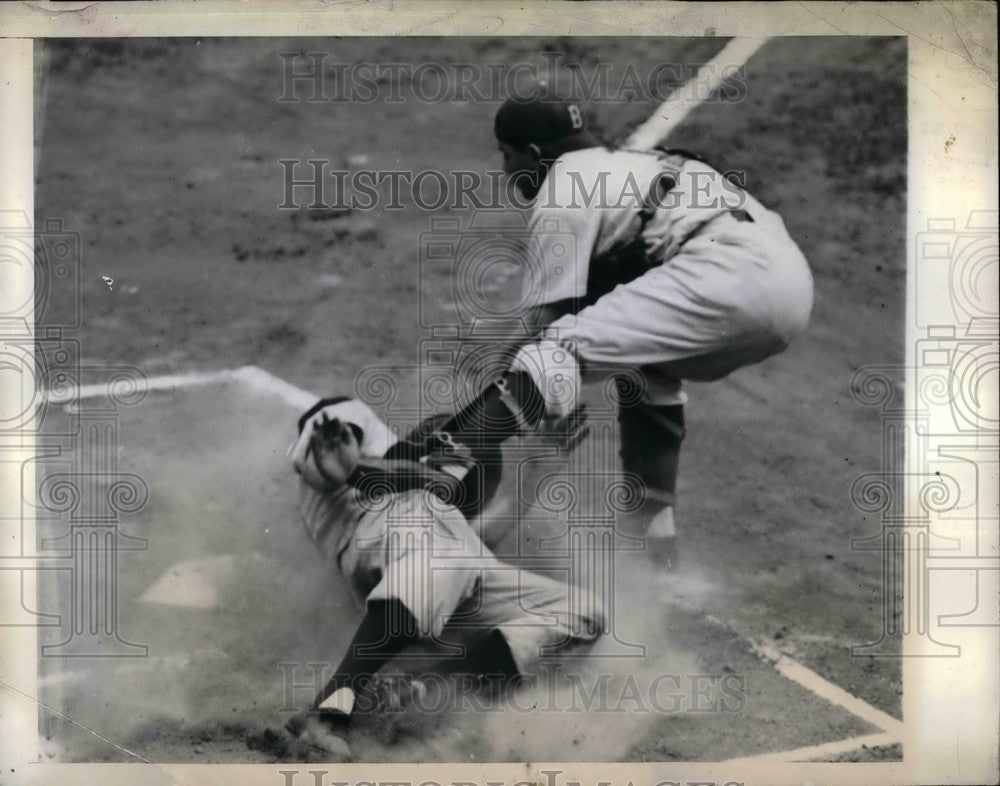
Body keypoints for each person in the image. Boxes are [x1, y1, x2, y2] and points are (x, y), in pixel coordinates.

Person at [398, 89, 814, 569]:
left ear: (532, 154)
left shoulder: (564, 190)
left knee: (555, 352)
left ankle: (444, 462)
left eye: (507, 156)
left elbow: (543, 331)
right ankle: (657, 551)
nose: (507, 171)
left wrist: (476, 422)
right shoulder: (624, 166)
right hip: (788, 285)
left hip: (728, 273)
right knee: (646, 370)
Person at [284, 396, 605, 759]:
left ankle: (423, 685)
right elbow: (318, 457)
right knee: (446, 551)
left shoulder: (439, 515)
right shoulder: (354, 432)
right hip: (388, 542)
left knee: (583, 611)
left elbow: (477, 541)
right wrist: (357, 468)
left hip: (444, 569)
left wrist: (533, 476)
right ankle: (328, 710)